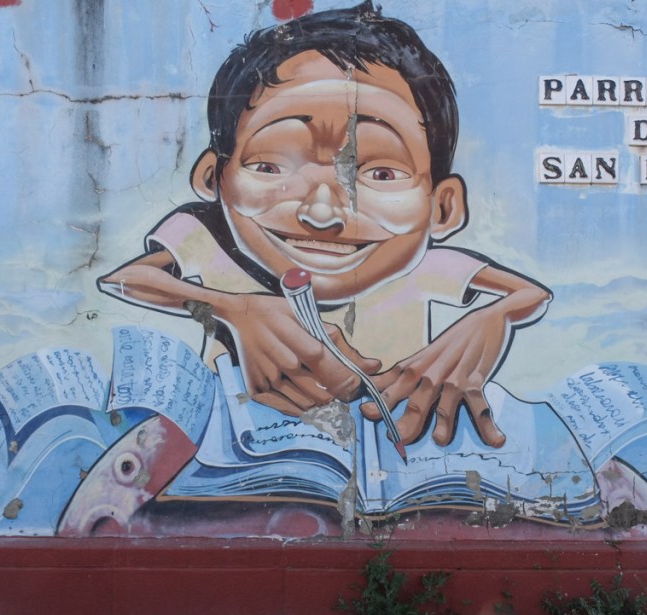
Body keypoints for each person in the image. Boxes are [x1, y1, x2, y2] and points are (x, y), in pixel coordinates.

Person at [100, 1, 551, 450]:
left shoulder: (426, 270)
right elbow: (126, 279)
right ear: (213, 179)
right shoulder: (210, 239)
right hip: (232, 466)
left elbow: (530, 294)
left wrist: (490, 322)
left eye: (380, 174)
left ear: (444, 207)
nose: (322, 214)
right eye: (271, 166)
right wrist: (236, 311)